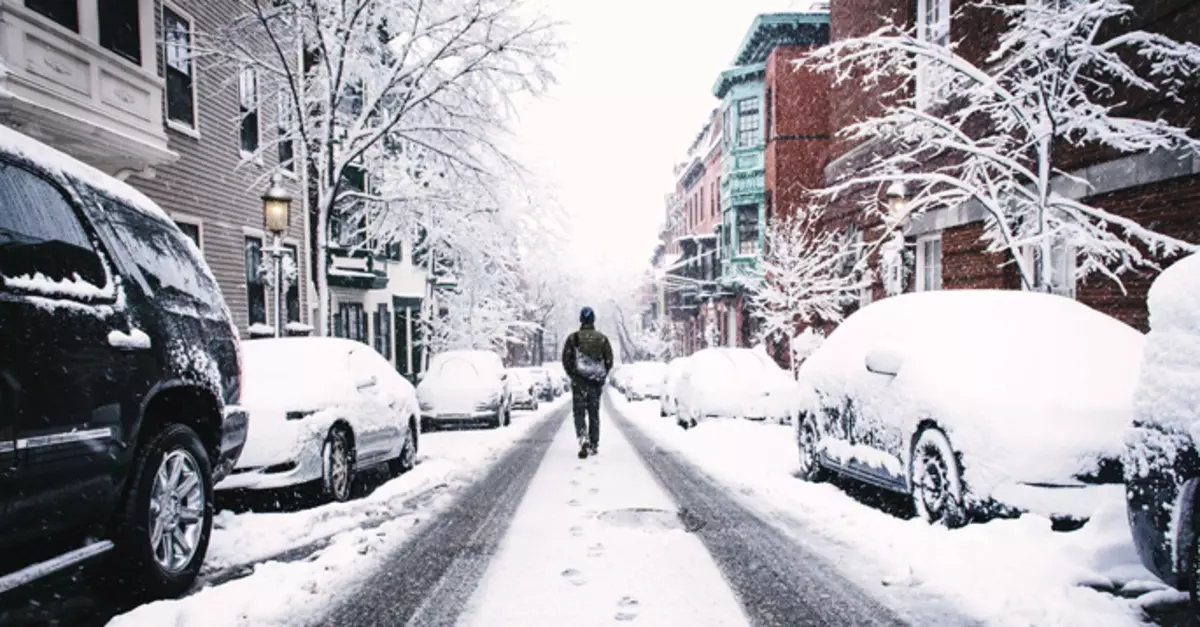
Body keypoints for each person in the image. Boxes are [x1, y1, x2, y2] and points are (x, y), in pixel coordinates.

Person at [562, 306, 613, 459]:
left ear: (581, 320)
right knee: (594, 414)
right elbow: (609, 360)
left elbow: (566, 360)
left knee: (579, 413)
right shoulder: (602, 338)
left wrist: (574, 375)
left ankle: (582, 437)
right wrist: (601, 376)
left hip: (579, 383)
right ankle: (594, 444)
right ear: (593, 320)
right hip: (595, 384)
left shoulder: (573, 338)